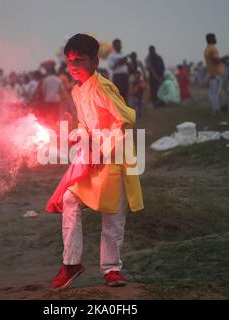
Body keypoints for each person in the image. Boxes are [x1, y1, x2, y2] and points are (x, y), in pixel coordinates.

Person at [46, 34, 143, 291]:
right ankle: (71, 264)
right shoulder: (78, 91)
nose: (73, 65)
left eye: (80, 59)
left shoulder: (103, 88)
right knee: (69, 199)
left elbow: (126, 121)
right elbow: (86, 126)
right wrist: (76, 134)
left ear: (95, 61)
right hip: (92, 158)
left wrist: (105, 149)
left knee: (112, 216)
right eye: (69, 61)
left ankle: (111, 268)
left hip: (114, 160)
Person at [204, 33, 229, 115]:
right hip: (217, 74)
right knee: (215, 93)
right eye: (214, 37)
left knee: (215, 93)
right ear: (210, 39)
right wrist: (226, 57)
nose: (216, 39)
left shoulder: (207, 49)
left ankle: (221, 107)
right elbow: (216, 61)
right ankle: (217, 110)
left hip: (213, 74)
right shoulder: (213, 49)